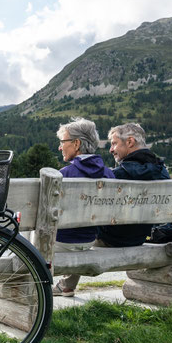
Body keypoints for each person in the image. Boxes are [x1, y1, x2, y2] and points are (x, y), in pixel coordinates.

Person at [52, 118, 115, 297]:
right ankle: (67, 285)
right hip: (89, 240)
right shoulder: (109, 174)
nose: (59, 147)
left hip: (59, 244)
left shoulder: (62, 175)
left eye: (62, 142)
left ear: (76, 143)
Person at [96, 122, 170, 248]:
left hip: (110, 239)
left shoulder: (116, 175)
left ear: (130, 142)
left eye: (114, 143)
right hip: (140, 239)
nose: (111, 150)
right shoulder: (163, 172)